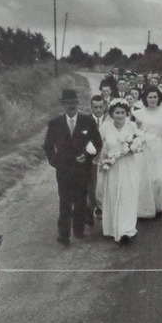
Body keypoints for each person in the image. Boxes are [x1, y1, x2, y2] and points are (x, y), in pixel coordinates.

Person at [43, 88, 102, 246]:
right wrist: (55, 161)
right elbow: (48, 146)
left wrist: (88, 155)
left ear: (78, 104)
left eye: (74, 103)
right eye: (68, 103)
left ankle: (78, 229)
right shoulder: (55, 123)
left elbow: (97, 143)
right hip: (64, 169)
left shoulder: (87, 121)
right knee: (65, 201)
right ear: (63, 104)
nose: (72, 106)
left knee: (81, 200)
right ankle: (63, 235)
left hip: (83, 168)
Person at [99, 99, 144, 244]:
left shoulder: (132, 126)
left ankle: (126, 229)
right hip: (113, 167)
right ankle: (113, 228)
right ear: (111, 113)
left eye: (122, 112)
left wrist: (132, 149)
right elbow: (102, 148)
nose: (119, 115)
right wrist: (103, 163)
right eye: (116, 112)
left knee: (127, 196)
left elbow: (139, 143)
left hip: (128, 165)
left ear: (127, 113)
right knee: (113, 195)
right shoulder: (105, 127)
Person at [134, 86, 162, 216]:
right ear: (145, 98)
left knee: (160, 177)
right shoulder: (139, 113)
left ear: (159, 98)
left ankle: (158, 204)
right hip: (145, 148)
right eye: (150, 97)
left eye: (155, 97)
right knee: (147, 178)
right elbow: (136, 131)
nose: (153, 99)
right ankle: (146, 207)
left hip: (160, 147)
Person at [89, 93, 108, 218]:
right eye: (95, 107)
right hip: (92, 157)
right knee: (92, 183)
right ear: (91, 107)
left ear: (105, 107)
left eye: (101, 107)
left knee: (105, 182)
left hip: (106, 156)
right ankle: (93, 207)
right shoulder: (86, 120)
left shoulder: (109, 120)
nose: (98, 110)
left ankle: (104, 207)